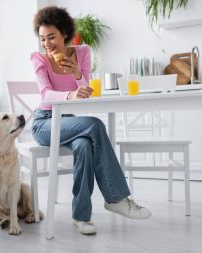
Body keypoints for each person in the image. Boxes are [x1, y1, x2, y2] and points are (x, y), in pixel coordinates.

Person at [31, 6, 151, 235]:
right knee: (95, 124)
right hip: (44, 123)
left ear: (64, 33)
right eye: (42, 38)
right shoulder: (39, 59)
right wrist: (69, 95)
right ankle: (116, 198)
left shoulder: (83, 53)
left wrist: (77, 75)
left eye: (52, 37)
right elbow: (45, 94)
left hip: (69, 122)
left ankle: (81, 217)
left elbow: (88, 92)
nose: (47, 43)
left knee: (84, 146)